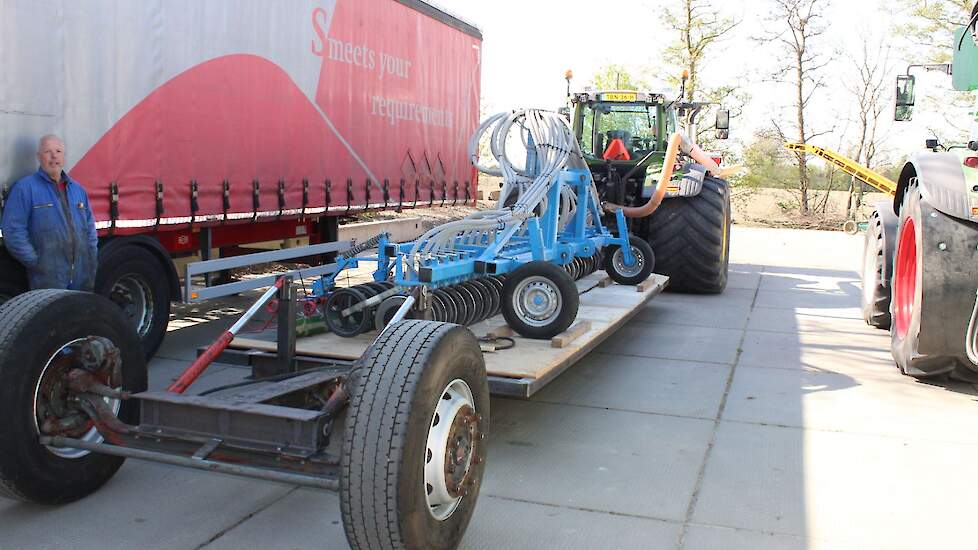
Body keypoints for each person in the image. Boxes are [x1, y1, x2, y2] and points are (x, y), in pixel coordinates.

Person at [1, 135, 98, 291]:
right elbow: (13, 231)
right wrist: (36, 262)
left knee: (79, 315)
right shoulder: (25, 188)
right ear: (39, 157)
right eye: (47, 151)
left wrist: (91, 259)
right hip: (47, 279)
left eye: (58, 151)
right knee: (53, 315)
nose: (54, 156)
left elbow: (90, 229)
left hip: (82, 275)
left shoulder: (78, 190)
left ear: (64, 156)